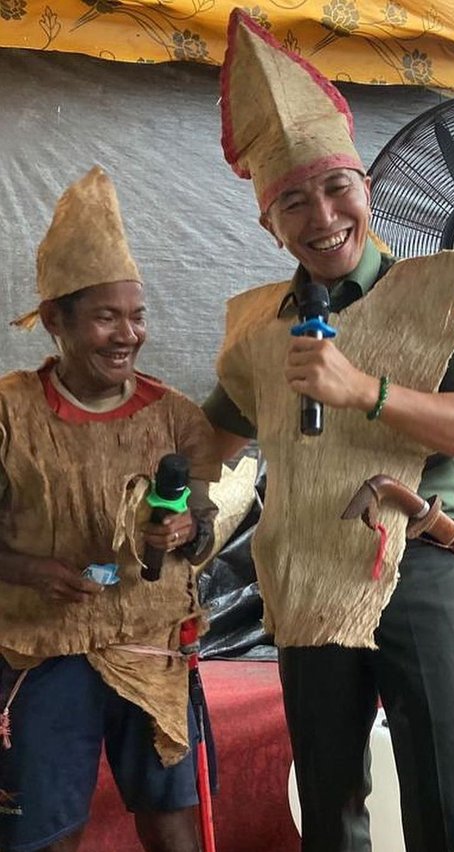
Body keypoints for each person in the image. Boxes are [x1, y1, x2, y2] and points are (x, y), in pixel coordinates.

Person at [203, 9, 454, 852]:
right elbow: (210, 440)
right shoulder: (255, 325)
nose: (321, 215)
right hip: (307, 576)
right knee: (329, 808)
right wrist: (166, 503)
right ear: (268, 222)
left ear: (366, 185)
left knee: (450, 810)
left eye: (335, 187)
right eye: (292, 199)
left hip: (422, 561)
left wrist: (364, 388)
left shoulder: (442, 296)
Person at [0, 166, 220, 852]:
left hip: (154, 649)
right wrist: (30, 568)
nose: (128, 334)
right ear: (57, 321)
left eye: (137, 315)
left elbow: (208, 519)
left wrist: (190, 529)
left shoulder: (177, 418)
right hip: (43, 652)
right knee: (44, 835)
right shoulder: (10, 412)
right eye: (105, 316)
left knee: (174, 830)